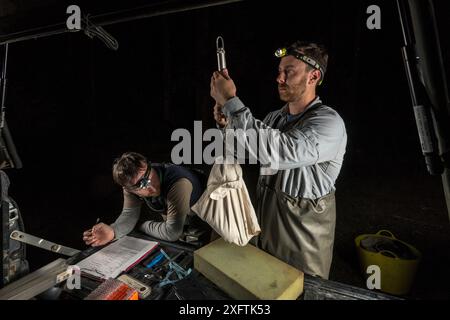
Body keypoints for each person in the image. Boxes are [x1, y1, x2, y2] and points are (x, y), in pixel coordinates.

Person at [210, 41, 347, 279]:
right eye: (279, 72)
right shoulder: (275, 117)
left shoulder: (328, 122)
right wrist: (226, 125)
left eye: (289, 72)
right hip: (267, 229)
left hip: (302, 244)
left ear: (313, 76)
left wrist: (232, 100)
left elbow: (283, 152)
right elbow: (245, 152)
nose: (279, 78)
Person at [83, 152, 207, 246]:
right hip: (184, 229)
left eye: (148, 175)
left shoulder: (179, 183)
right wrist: (112, 231)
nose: (151, 186)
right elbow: (129, 214)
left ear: (148, 165)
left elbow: (172, 232)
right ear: (129, 189)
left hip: (209, 227)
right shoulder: (130, 185)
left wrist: (137, 224)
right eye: (140, 185)